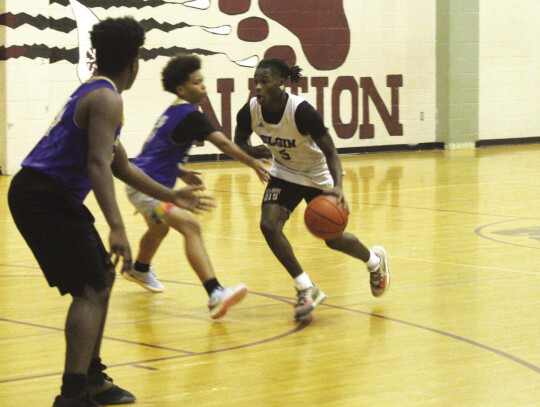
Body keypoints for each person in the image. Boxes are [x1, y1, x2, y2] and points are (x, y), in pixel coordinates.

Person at [8, 18, 213, 407]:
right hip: (43, 197)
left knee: (100, 277)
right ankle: (73, 395)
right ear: (134, 64)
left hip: (43, 195)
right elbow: (98, 166)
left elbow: (122, 165)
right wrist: (117, 227)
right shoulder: (107, 99)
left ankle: (92, 380)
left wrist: (173, 195)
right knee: (91, 289)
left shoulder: (96, 91)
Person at [234, 58, 390, 321]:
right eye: (256, 82)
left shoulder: (301, 111)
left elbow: (330, 150)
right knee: (268, 225)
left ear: (281, 83)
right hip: (285, 172)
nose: (258, 87)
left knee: (333, 238)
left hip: (318, 173)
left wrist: (338, 187)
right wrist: (251, 151)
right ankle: (306, 287)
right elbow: (238, 140)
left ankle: (374, 262)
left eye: (265, 81)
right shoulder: (250, 111)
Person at [121, 53, 271, 319]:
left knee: (159, 228)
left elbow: (150, 148)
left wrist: (181, 172)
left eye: (203, 81)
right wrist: (253, 162)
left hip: (142, 183)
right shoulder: (191, 116)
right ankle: (215, 293)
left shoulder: (172, 112)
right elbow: (224, 144)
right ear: (182, 89)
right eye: (197, 83)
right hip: (147, 187)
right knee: (190, 226)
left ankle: (140, 269)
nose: (204, 87)